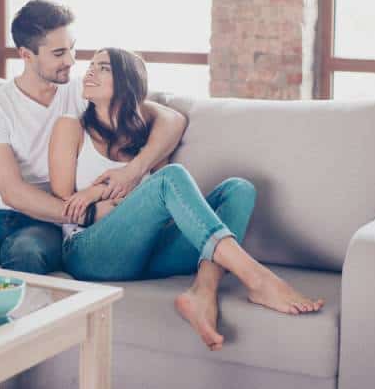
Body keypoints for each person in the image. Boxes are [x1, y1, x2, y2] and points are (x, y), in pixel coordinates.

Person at [48, 47, 325, 351]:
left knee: (239, 189)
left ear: (128, 82)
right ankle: (258, 279)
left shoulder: (148, 137)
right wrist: (101, 194)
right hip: (90, 252)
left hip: (148, 253)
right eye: (90, 66)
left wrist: (121, 186)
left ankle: (203, 291)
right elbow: (65, 204)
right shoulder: (70, 126)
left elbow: (160, 204)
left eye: (103, 68)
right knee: (171, 177)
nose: (89, 72)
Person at [0, 0, 187, 275]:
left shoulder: (84, 94)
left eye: (71, 48)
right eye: (59, 53)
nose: (71, 61)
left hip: (45, 222)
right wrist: (90, 213)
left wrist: (134, 170)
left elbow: (172, 120)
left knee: (26, 253)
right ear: (26, 55)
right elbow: (12, 193)